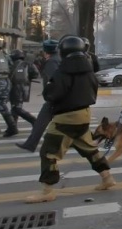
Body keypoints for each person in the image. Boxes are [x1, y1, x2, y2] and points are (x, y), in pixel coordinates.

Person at [26, 36, 115, 203]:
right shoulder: (88, 68)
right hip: (84, 114)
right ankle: (107, 177)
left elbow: (53, 94)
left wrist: (48, 90)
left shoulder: (64, 70)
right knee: (89, 149)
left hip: (65, 118)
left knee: (48, 152)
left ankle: (47, 191)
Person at [16, 39, 61, 152]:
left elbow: (54, 79)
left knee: (42, 121)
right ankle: (31, 143)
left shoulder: (52, 62)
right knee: (47, 121)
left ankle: (31, 144)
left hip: (54, 98)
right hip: (56, 97)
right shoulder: (58, 59)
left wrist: (49, 93)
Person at [9, 49, 40, 129]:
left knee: (16, 108)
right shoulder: (28, 64)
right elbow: (36, 74)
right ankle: (13, 126)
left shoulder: (11, 64)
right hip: (25, 88)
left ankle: (33, 120)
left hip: (14, 88)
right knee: (16, 107)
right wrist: (28, 79)